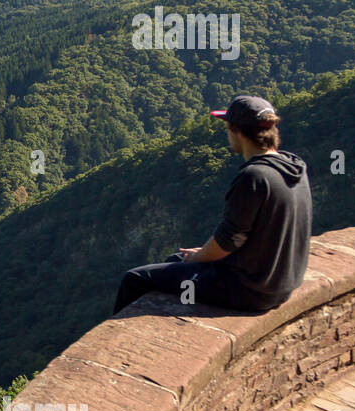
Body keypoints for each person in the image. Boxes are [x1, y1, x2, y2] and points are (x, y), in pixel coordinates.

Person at [113, 94, 311, 314]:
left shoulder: (254, 176)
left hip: (248, 290)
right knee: (176, 260)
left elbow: (230, 239)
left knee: (135, 279)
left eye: (227, 128)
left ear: (237, 131)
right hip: (281, 284)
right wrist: (202, 254)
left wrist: (198, 257)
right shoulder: (295, 167)